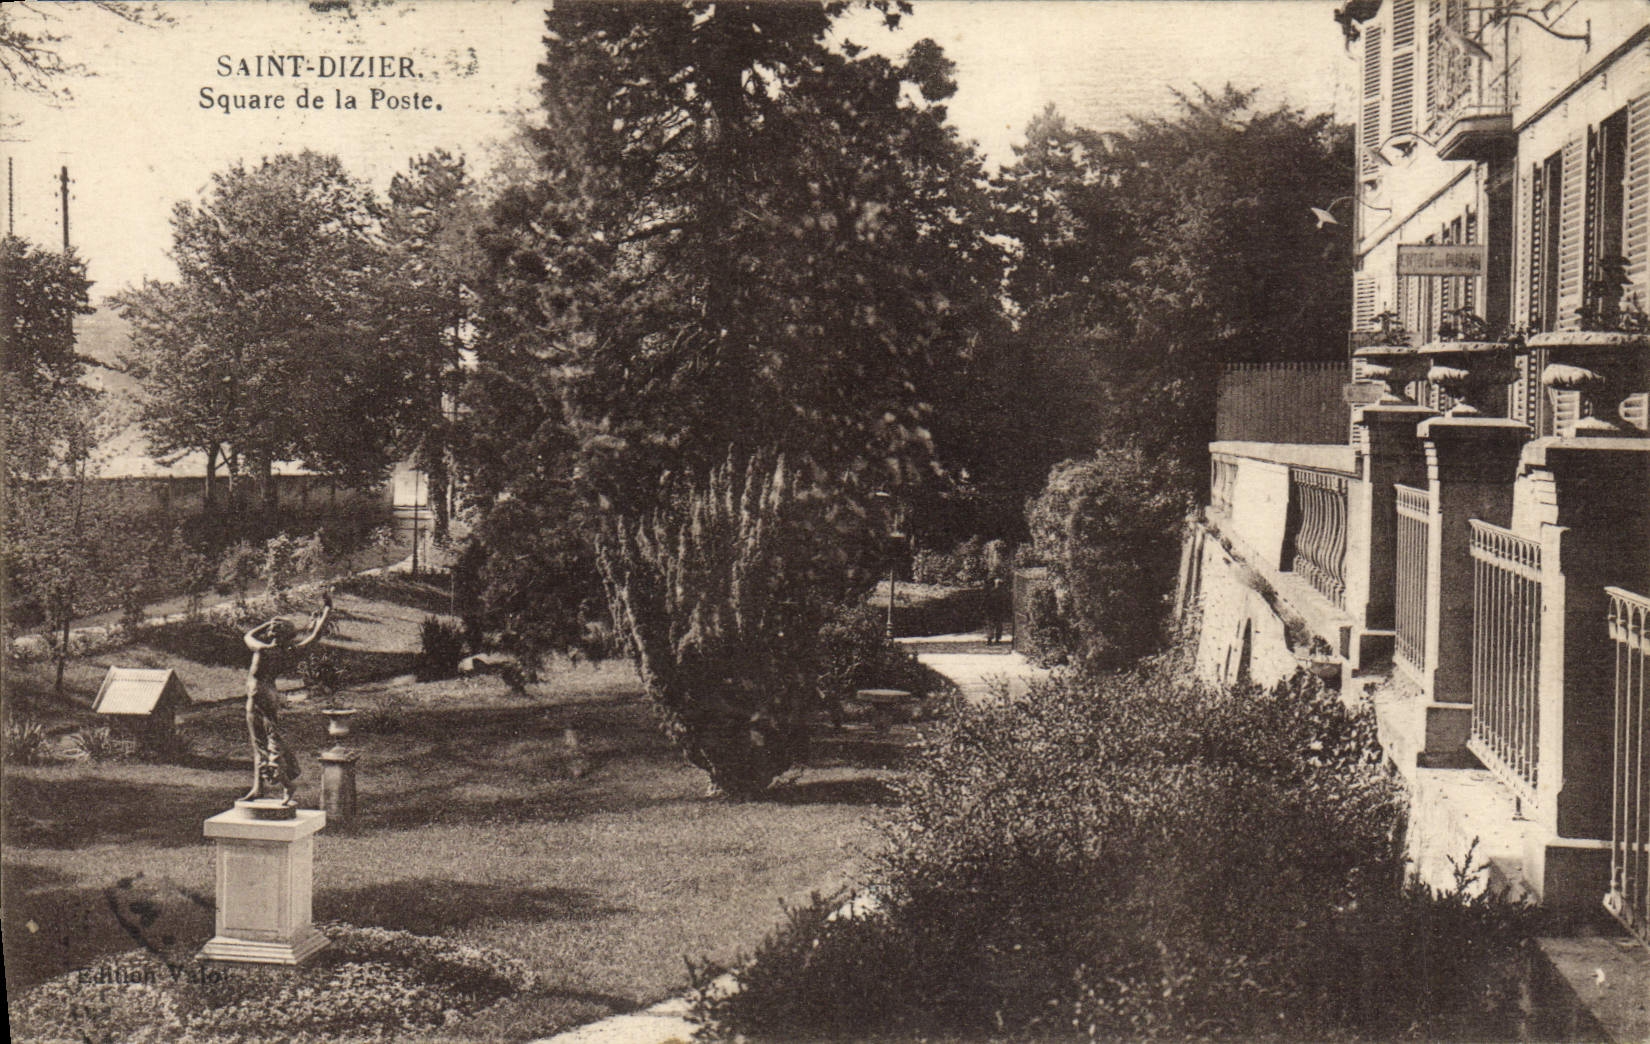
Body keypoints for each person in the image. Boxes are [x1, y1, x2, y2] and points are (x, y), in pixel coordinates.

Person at [242, 590, 332, 804]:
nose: (271, 629)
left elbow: (247, 636)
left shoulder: (262, 650)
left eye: (274, 628)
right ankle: (259, 787)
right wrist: (328, 610)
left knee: (266, 743)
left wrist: (264, 624)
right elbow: (314, 637)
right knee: (264, 742)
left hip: (259, 697)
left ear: (275, 633)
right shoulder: (288, 652)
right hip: (267, 695)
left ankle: (285, 783)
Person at [984, 574, 1006, 644]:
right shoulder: (999, 592)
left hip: (992, 610)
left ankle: (991, 639)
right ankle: (994, 639)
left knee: (993, 625)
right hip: (994, 610)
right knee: (996, 624)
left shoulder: (989, 591)